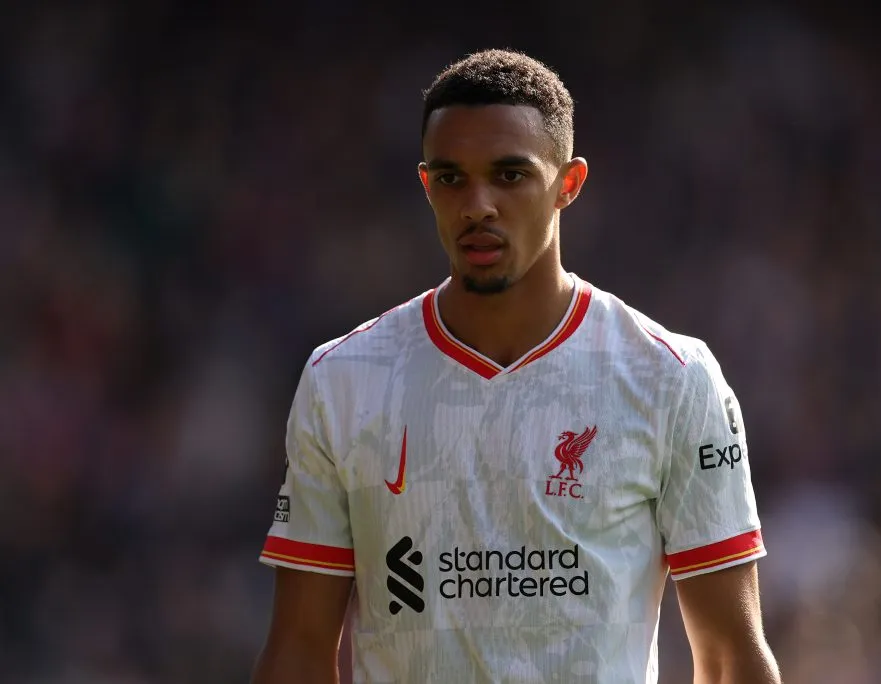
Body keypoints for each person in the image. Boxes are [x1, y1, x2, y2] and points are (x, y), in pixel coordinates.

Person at [251, 48, 781, 684]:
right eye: (452, 178)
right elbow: (299, 652)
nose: (478, 204)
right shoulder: (344, 379)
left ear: (568, 184)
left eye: (509, 175)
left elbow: (730, 659)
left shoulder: (670, 378)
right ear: (426, 185)